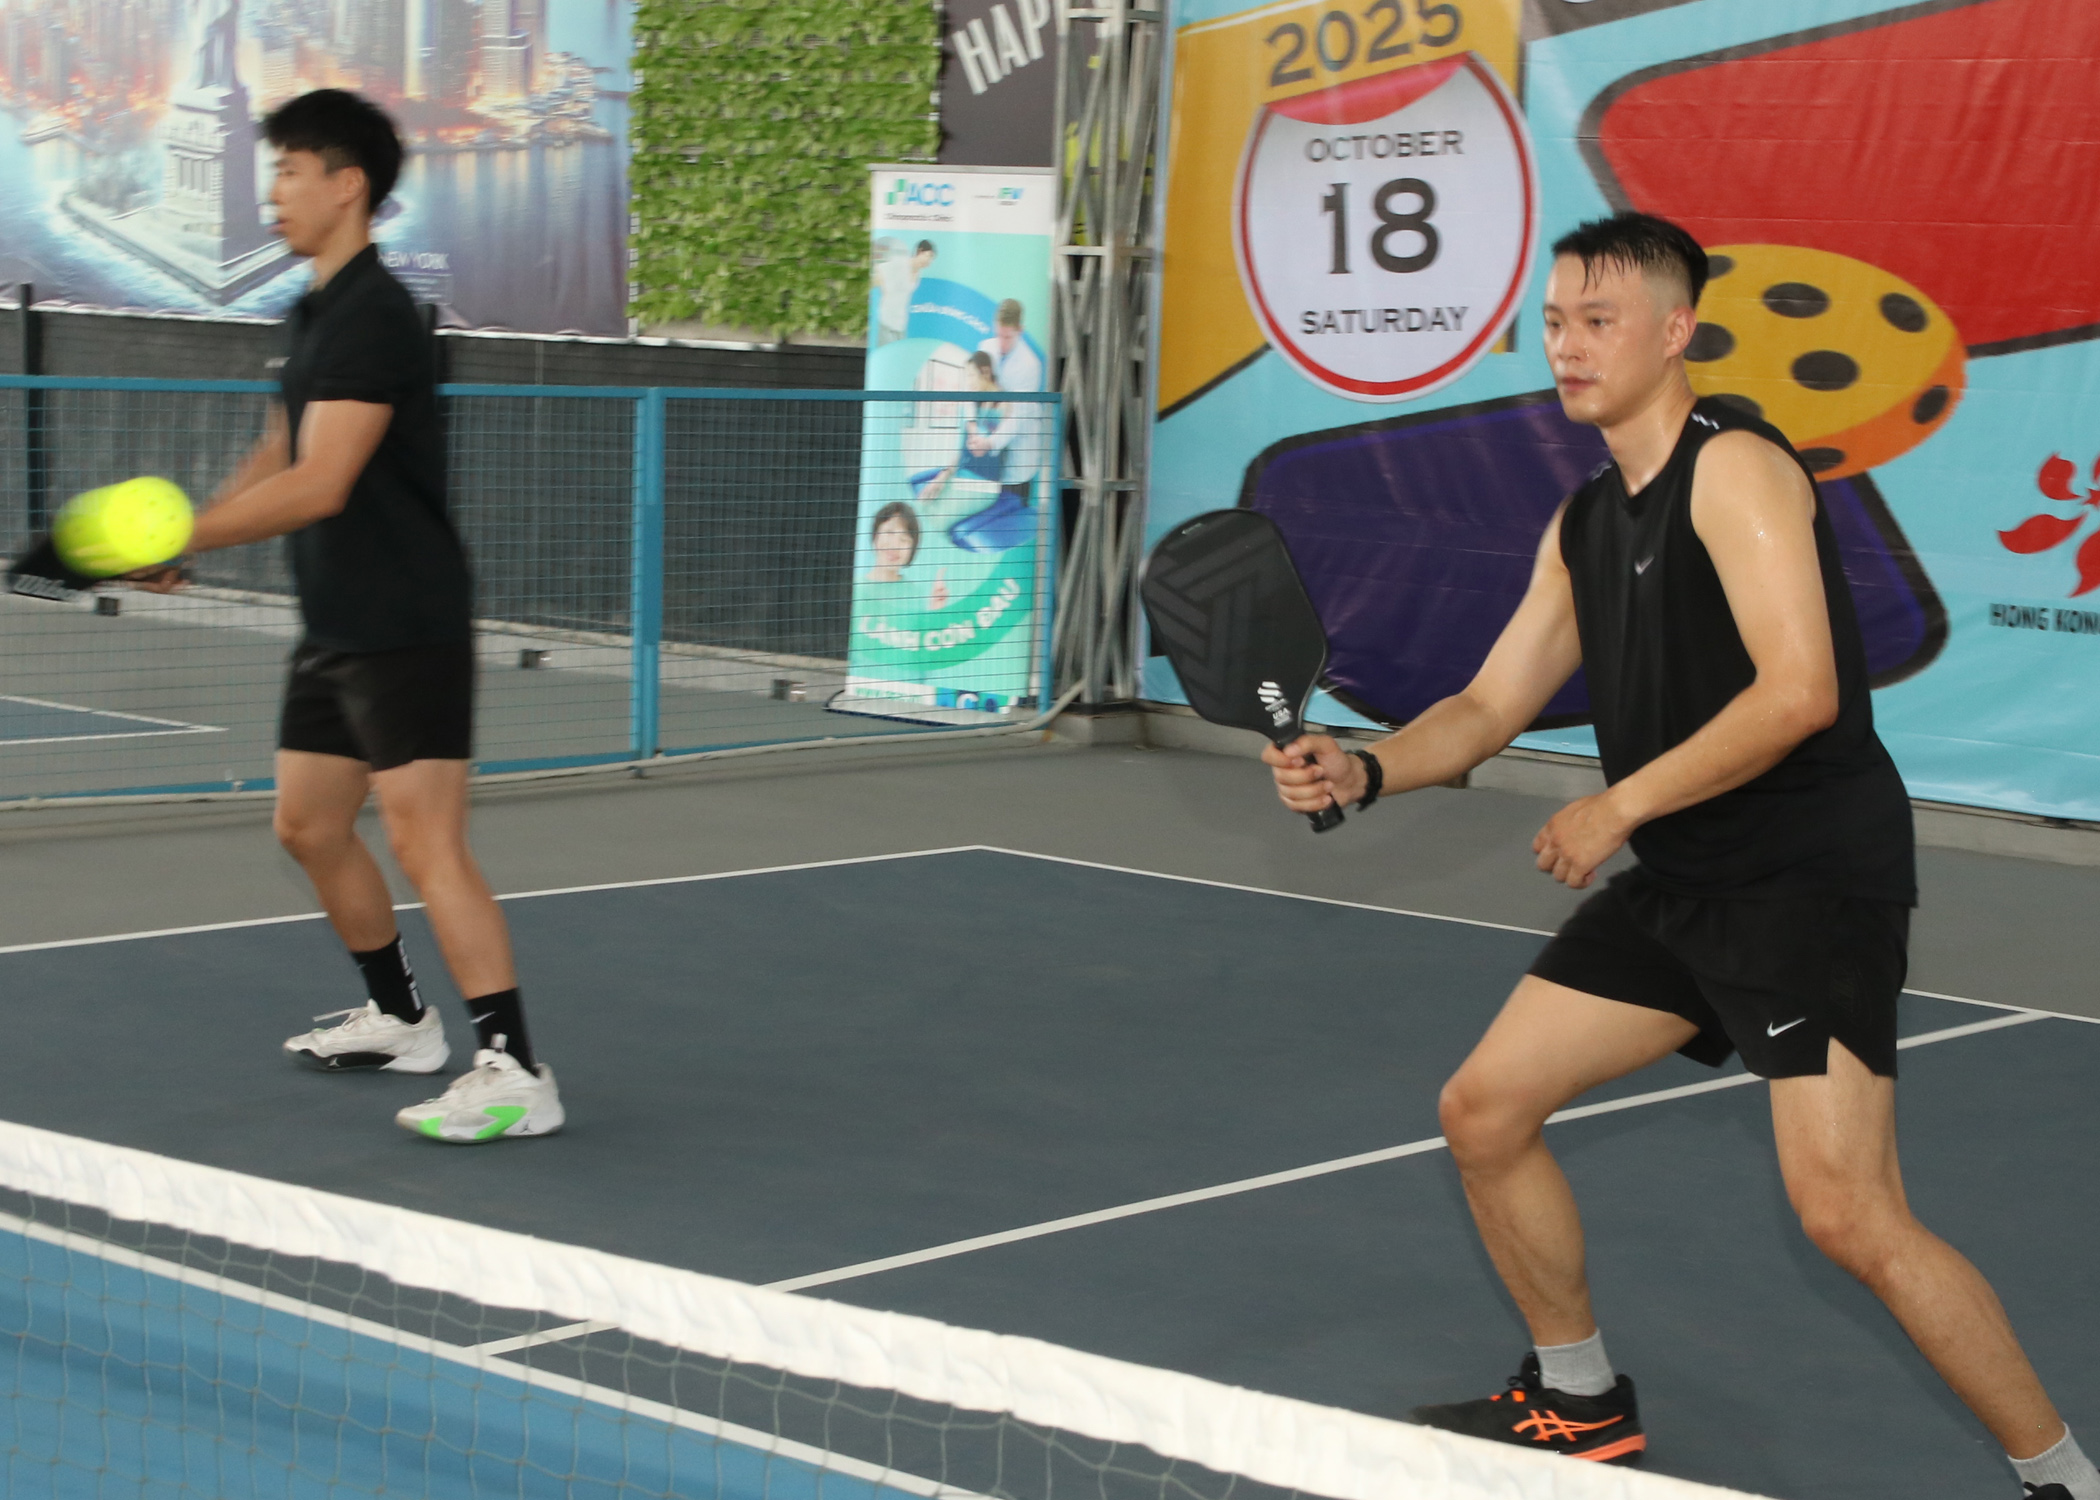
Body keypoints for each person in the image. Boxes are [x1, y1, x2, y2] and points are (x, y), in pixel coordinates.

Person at [1264, 212, 2092, 1496]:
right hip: (1689, 880)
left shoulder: (1736, 469)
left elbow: (1801, 692)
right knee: (1485, 1112)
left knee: (1848, 1214)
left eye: (1598, 321)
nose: (1568, 345)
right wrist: (1364, 768)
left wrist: (1618, 808)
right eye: (1555, 322)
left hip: (1805, 880)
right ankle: (1579, 1399)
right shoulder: (1586, 521)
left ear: (1675, 331)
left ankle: (2064, 1479)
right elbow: (1485, 707)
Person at [143, 89, 562, 1144]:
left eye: (291, 172)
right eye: (273, 172)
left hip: (404, 621)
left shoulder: (376, 315)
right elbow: (281, 450)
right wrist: (190, 537)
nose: (273, 193)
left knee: (427, 844)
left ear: (349, 185)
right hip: (334, 623)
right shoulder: (314, 311)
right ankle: (403, 1020)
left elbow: (324, 482)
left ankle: (516, 1072)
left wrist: (190, 533)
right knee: (308, 826)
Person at [873, 240, 935, 347]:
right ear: (919, 251)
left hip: (901, 324)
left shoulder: (918, 274)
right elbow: (879, 268)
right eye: (927, 256)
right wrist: (885, 289)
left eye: (931, 258)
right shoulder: (901, 263)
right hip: (886, 321)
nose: (929, 260)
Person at [975, 298, 1042, 393]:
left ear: (1020, 330)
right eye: (999, 335)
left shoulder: (1030, 365)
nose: (1001, 343)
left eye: (1007, 337)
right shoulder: (984, 348)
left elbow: (1022, 402)